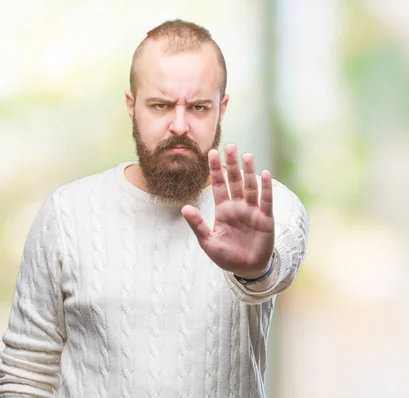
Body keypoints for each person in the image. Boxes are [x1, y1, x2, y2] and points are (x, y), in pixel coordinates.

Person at [0, 19, 308, 398]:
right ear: (132, 105)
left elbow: (278, 267)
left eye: (198, 107)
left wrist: (255, 270)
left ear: (221, 109)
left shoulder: (266, 204)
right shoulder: (66, 215)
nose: (178, 125)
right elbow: (26, 374)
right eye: (160, 105)